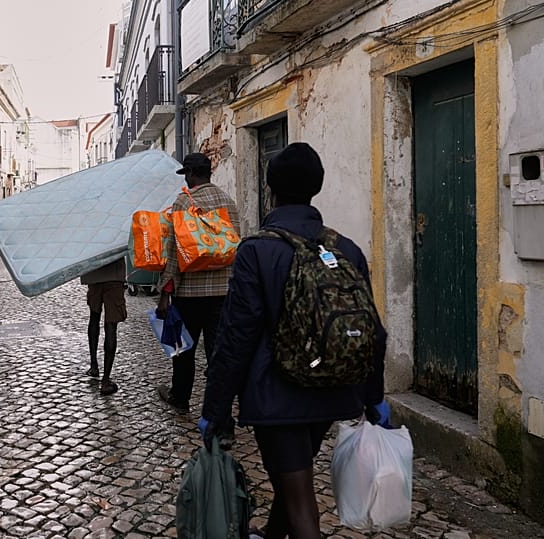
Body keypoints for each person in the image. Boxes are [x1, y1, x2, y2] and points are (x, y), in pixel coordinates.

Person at [199, 142, 386, 538]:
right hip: (333, 390)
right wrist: (373, 397)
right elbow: (371, 329)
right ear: (315, 187)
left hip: (278, 396)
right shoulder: (346, 248)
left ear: (271, 190)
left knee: (301, 504)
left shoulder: (257, 251)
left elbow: (236, 337)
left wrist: (216, 409)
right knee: (290, 482)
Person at [155, 152, 240, 413]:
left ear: (191, 173)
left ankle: (180, 397)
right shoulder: (228, 202)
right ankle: (220, 410)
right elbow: (235, 244)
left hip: (189, 292)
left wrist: (165, 293)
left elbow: (173, 251)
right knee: (217, 352)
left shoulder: (183, 202)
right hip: (222, 291)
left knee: (183, 350)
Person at [80, 257, 127, 396]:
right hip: (114, 276)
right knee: (111, 326)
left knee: (94, 318)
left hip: (93, 273)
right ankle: (105, 381)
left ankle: (94, 365)